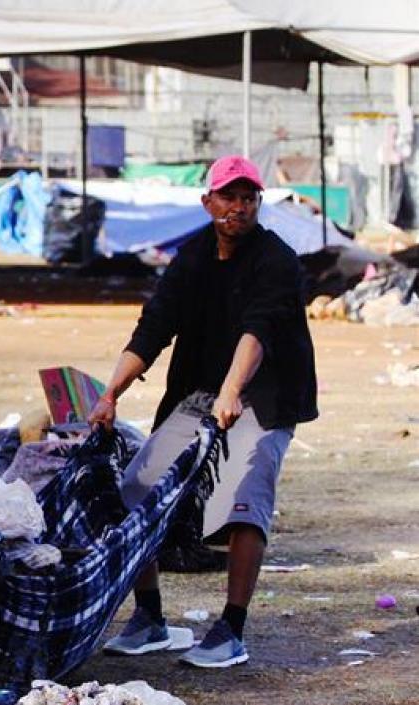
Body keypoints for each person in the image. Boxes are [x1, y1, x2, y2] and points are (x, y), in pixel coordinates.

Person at [89, 155, 318, 668]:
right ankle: (149, 618)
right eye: (228, 197)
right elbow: (153, 328)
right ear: (207, 201)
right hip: (201, 393)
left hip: (267, 394)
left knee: (245, 494)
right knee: (135, 491)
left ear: (258, 203)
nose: (238, 207)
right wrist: (110, 395)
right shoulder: (192, 257)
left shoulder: (276, 259)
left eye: (248, 198)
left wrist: (233, 391)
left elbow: (257, 331)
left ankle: (230, 630)